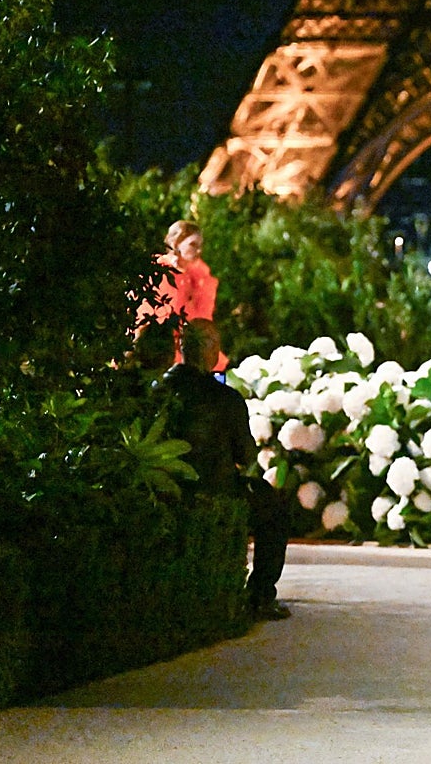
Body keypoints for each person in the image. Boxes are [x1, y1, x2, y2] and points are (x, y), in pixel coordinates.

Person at [158, 318, 291, 621]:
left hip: (166, 488)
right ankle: (260, 595)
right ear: (213, 351)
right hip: (215, 491)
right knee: (275, 507)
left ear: (182, 349)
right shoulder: (225, 398)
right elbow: (245, 456)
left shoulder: (160, 390)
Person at [144, 220, 228, 371]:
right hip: (160, 347)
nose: (198, 251)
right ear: (176, 243)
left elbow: (203, 318)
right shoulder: (159, 271)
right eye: (192, 245)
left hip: (188, 346)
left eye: (200, 246)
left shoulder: (197, 276)